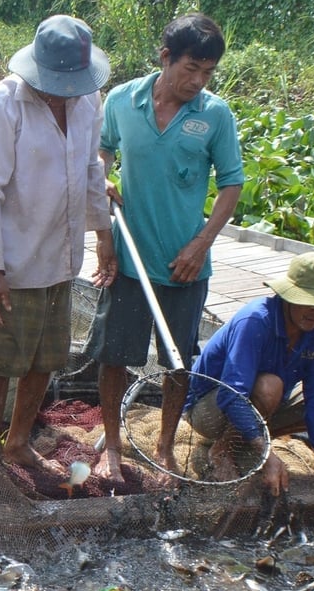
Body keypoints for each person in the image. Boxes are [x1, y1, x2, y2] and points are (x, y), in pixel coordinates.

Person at [86, 13, 245, 481]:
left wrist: (200, 245)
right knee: (114, 355)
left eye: (208, 73)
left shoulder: (214, 115)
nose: (198, 81)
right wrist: (104, 177)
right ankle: (112, 444)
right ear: (165, 58)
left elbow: (232, 184)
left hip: (184, 266)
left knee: (178, 361)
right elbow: (102, 150)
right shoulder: (121, 100)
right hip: (131, 257)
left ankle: (164, 443)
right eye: (190, 68)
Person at [0, 14, 114, 470]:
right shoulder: (2, 105)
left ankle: (17, 441)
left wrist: (103, 233)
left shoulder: (89, 101)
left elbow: (93, 170)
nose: (63, 91)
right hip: (13, 259)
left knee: (45, 359)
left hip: (61, 255)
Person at [184, 252, 314, 496]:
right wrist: (267, 455)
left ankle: (250, 439)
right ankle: (223, 449)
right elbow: (232, 394)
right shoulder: (256, 319)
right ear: (288, 297)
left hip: (268, 406)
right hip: (210, 409)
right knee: (270, 385)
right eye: (308, 301)